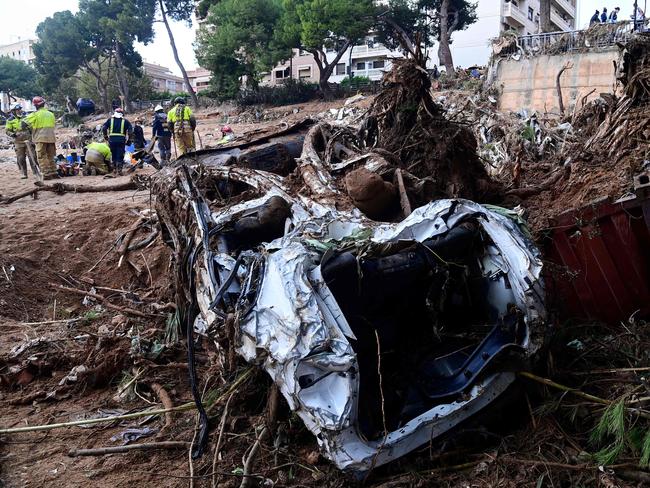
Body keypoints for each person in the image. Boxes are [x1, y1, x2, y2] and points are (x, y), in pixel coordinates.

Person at [22, 96, 57, 181]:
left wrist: (30, 128)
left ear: (35, 106)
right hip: (51, 138)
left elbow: (23, 124)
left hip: (40, 138)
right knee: (50, 156)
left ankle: (46, 174)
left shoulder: (35, 114)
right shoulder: (51, 114)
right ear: (44, 104)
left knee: (41, 156)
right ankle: (54, 172)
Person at [5, 104, 40, 180]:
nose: (20, 111)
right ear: (13, 111)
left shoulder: (26, 117)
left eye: (20, 109)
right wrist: (12, 134)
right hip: (18, 142)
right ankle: (24, 173)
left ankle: (35, 172)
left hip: (28, 141)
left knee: (32, 157)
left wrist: (33, 136)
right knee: (21, 158)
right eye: (18, 109)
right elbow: (7, 131)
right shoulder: (10, 120)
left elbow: (32, 128)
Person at [102, 108, 132, 175]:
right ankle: (120, 170)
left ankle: (114, 169)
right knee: (120, 154)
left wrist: (106, 137)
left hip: (112, 140)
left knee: (113, 154)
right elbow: (130, 132)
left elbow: (104, 128)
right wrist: (129, 140)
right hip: (121, 140)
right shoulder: (125, 121)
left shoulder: (110, 120)